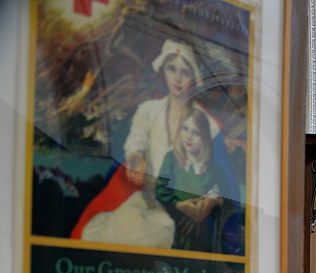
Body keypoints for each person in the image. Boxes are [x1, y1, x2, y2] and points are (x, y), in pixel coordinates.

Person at [70, 39, 224, 249]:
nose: (177, 78)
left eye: (185, 72)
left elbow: (219, 174)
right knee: (106, 233)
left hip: (184, 201)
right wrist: (136, 156)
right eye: (172, 69)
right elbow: (137, 140)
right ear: (163, 71)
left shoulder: (208, 123)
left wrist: (207, 203)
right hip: (147, 194)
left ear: (194, 77)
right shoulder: (149, 109)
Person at [155, 104, 233, 252]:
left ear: (204, 137)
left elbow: (229, 203)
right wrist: (180, 206)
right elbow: (160, 190)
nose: (189, 136)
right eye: (185, 129)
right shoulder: (171, 159)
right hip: (176, 224)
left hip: (206, 236)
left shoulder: (215, 170)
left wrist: (213, 201)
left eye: (196, 132)